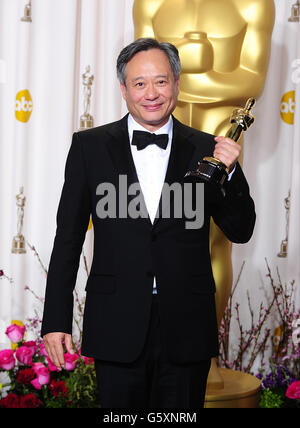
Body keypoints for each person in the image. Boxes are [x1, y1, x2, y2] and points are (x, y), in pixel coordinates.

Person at [41, 38, 256, 408]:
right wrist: (55, 320)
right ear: (123, 89)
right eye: (139, 83)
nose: (151, 93)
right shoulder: (89, 147)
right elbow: (68, 239)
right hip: (116, 323)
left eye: (161, 81)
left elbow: (241, 229)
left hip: (186, 325)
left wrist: (231, 174)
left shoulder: (209, 148)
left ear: (176, 83)